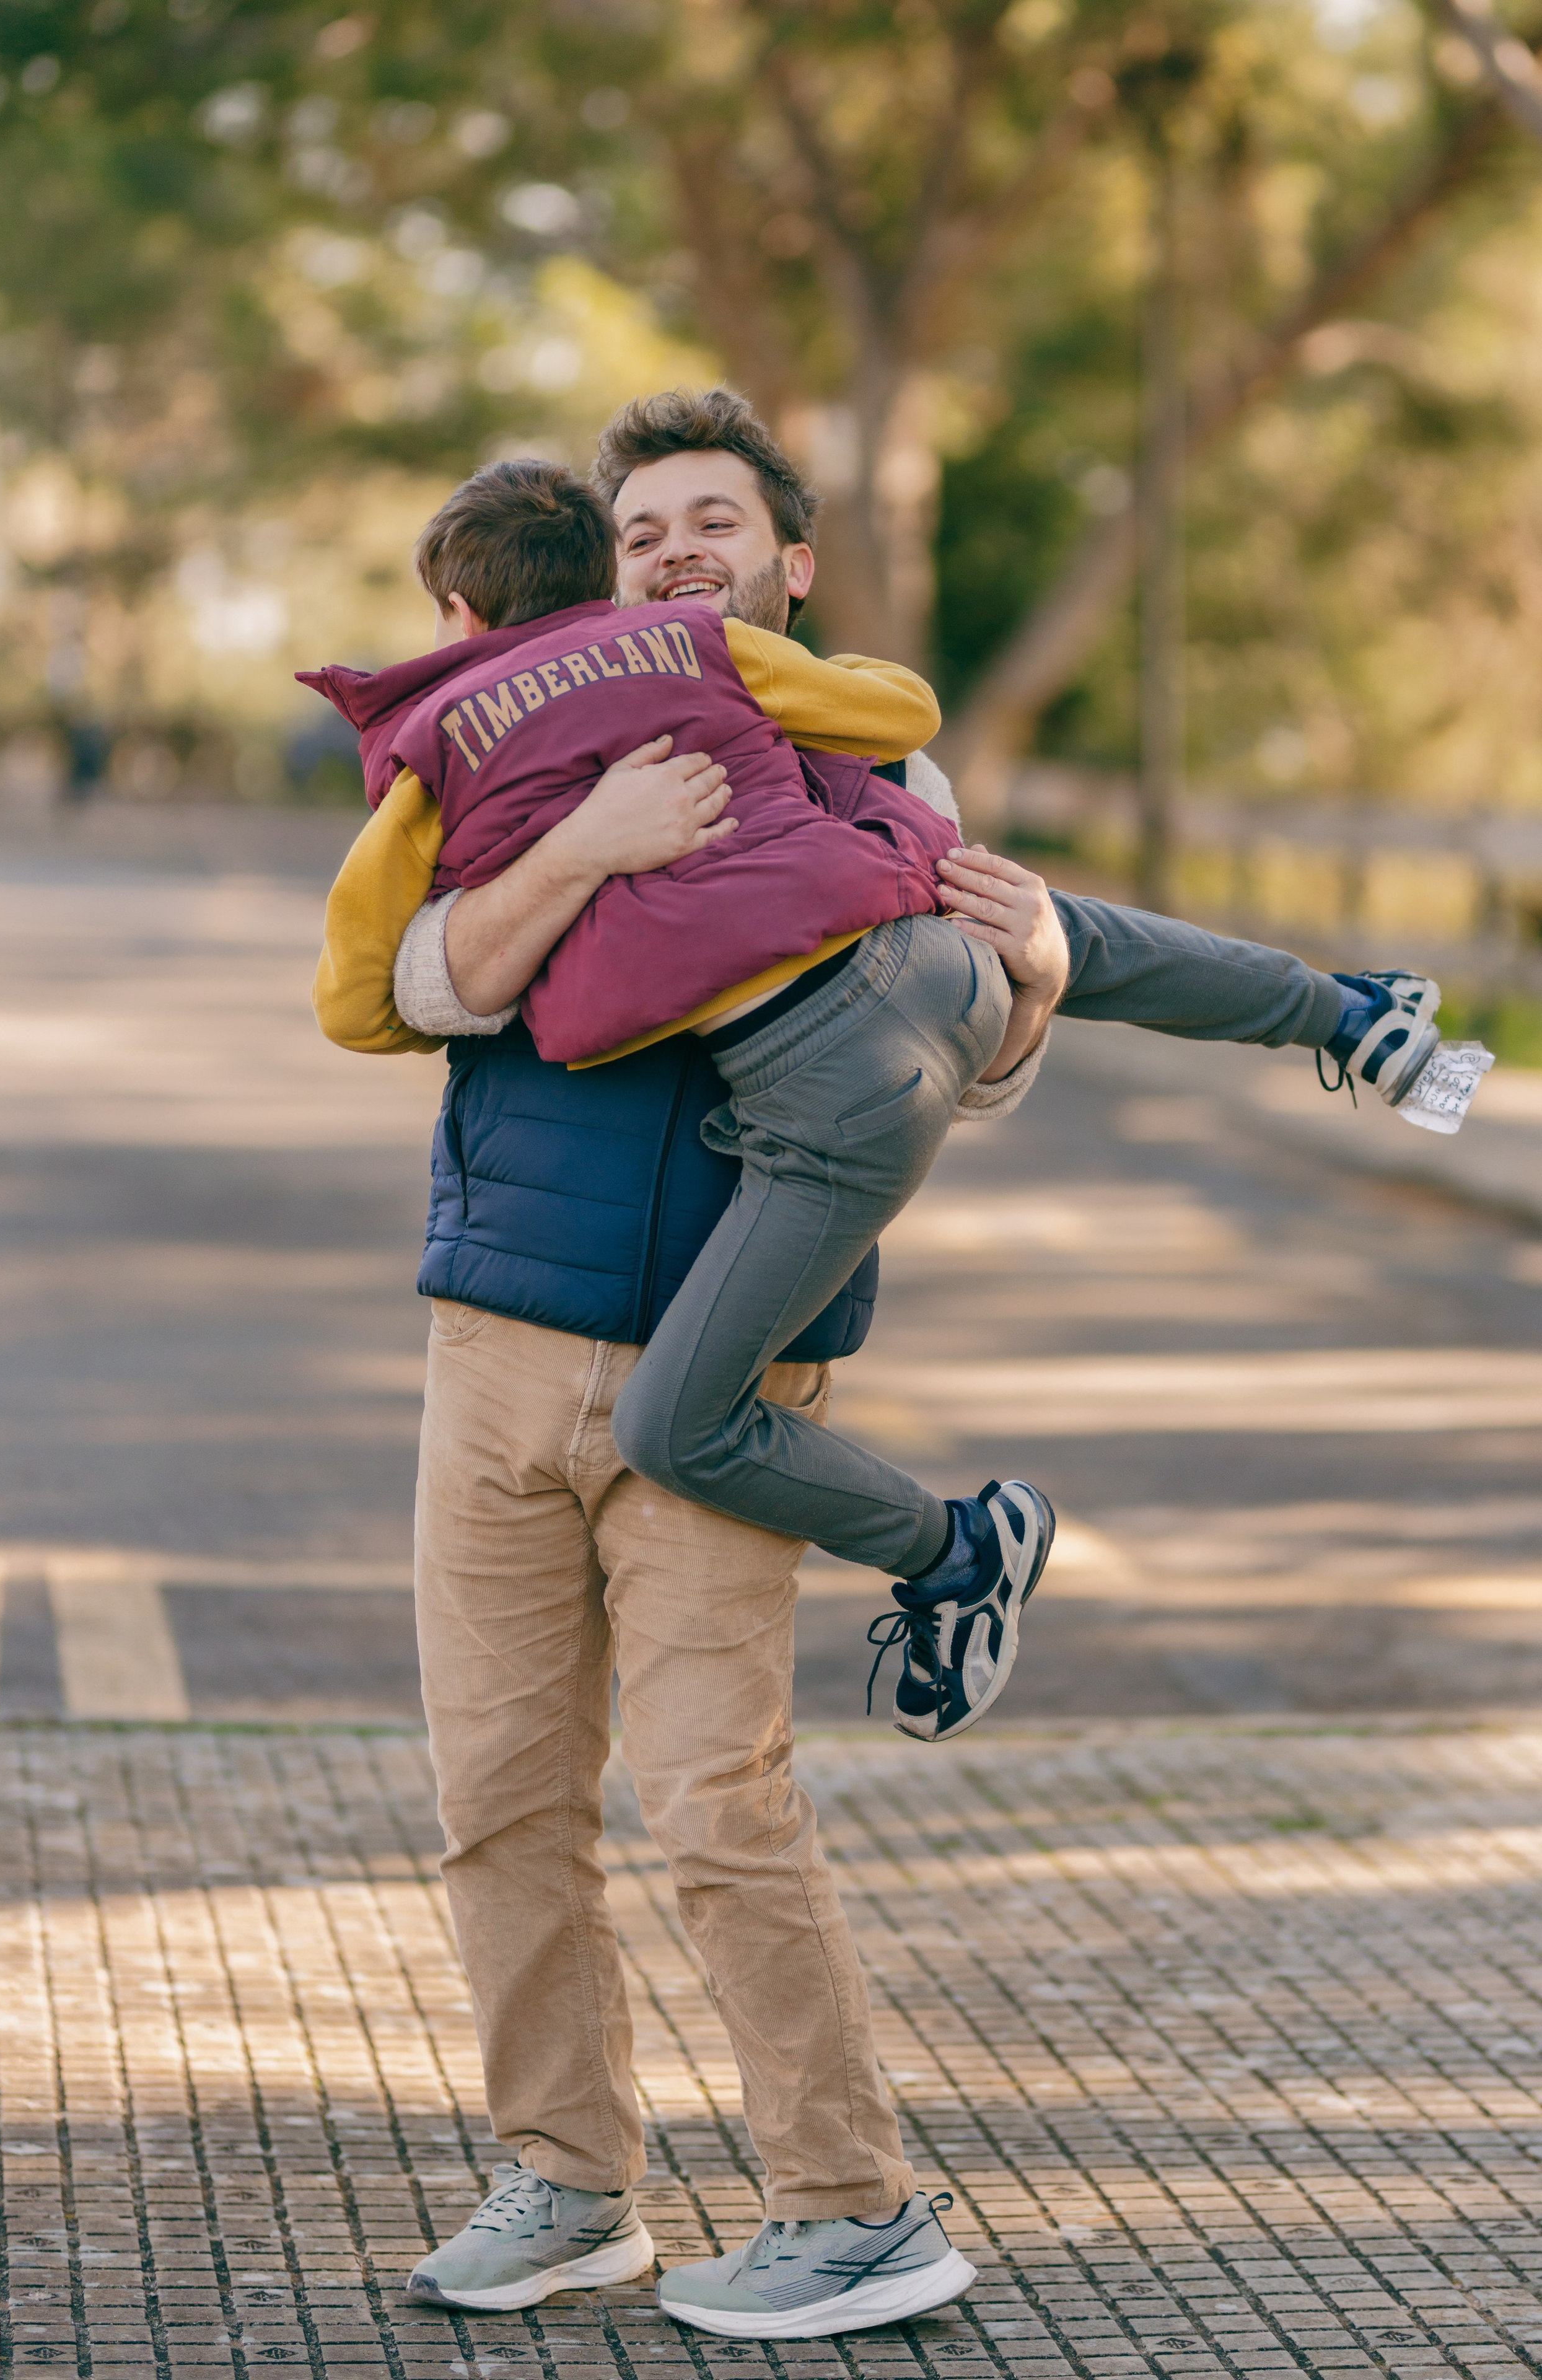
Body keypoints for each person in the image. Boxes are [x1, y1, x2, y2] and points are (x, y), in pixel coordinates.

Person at [307, 387, 1470, 2339]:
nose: (677, 552)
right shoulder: (537, 743)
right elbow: (424, 982)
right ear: (607, 567)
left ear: (790, 563)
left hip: (729, 1367)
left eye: (713, 526)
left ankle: (844, 2202)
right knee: (500, 1796)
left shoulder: (855, 763)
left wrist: (1022, 996)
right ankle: (565, 2181)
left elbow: (944, 1060)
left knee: (715, 1803)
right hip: (498, 1335)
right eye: (645, 528)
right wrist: (595, 839)